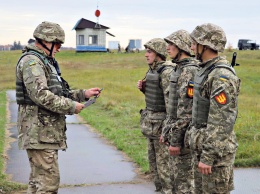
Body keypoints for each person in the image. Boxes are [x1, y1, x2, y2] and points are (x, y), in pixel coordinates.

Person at [15, 21, 102, 193]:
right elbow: (42, 96)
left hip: (44, 133)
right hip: (39, 133)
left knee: (38, 184)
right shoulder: (32, 62)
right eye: (58, 44)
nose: (59, 48)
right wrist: (71, 107)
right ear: (47, 41)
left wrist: (83, 94)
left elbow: (58, 92)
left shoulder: (45, 61)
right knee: (47, 185)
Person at [187, 23, 240, 193]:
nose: (192, 47)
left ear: (206, 45)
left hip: (215, 157)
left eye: (195, 43)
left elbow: (222, 121)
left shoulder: (220, 76)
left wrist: (208, 156)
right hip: (202, 150)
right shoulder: (205, 71)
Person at [161, 30, 199, 194]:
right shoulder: (178, 69)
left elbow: (186, 111)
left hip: (183, 139)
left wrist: (176, 141)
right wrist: (166, 132)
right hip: (176, 133)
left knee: (184, 186)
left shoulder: (188, 71)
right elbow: (172, 107)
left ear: (181, 47)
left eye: (171, 45)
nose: (167, 48)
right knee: (176, 182)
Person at [137, 38, 175, 194]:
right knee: (155, 170)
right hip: (151, 128)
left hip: (161, 130)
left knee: (165, 172)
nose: (146, 55)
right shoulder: (152, 70)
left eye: (149, 51)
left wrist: (167, 131)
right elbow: (157, 97)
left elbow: (171, 104)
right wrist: (144, 89)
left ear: (158, 53)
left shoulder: (166, 72)